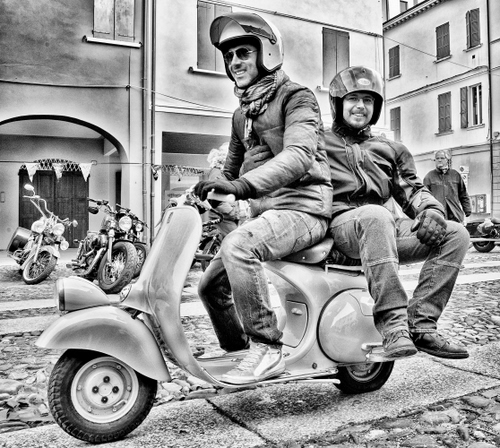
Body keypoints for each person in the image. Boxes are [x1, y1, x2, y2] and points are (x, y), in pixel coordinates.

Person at [193, 12, 333, 385]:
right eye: (229, 56)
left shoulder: (297, 97)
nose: (234, 62)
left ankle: (267, 348)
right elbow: (230, 170)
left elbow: (299, 155)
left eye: (243, 53)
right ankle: (239, 352)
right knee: (209, 287)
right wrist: (208, 184)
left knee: (238, 246)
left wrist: (241, 187)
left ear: (266, 53)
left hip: (304, 209)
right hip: (265, 214)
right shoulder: (241, 115)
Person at [323, 66, 470, 360]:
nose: (361, 106)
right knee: (375, 215)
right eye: (353, 98)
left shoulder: (392, 149)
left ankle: (421, 325)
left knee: (457, 234)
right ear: (338, 103)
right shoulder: (317, 142)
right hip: (341, 229)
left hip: (382, 229)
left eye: (368, 100)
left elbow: (412, 188)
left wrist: (431, 210)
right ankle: (394, 326)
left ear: (376, 107)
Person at [423, 150, 472, 223]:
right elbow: (424, 197)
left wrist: (467, 210)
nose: (439, 160)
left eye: (442, 158)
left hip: (455, 215)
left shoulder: (455, 175)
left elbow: (463, 194)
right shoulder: (429, 177)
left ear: (447, 160)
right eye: (437, 158)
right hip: (438, 216)